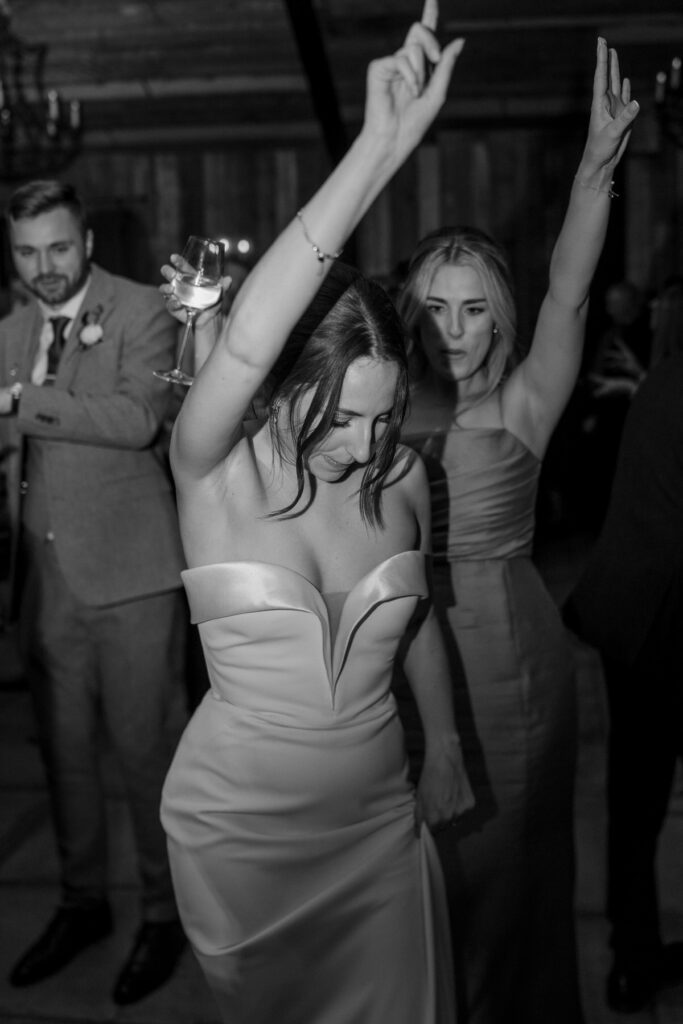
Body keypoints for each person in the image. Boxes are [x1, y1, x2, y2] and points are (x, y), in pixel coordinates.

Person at [158, 4, 472, 1021]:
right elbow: (244, 339)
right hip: (242, 843)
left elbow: (411, 625)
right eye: (338, 419)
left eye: (386, 420)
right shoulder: (216, 472)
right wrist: (378, 148)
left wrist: (449, 755)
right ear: (286, 384)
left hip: (378, 823)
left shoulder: (402, 482)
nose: (364, 446)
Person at [394, 37, 640, 1024]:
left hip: (510, 659)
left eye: (471, 310)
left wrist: (594, 166)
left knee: (508, 876)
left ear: (495, 319)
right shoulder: (381, 412)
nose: (454, 329)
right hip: (398, 656)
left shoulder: (526, 405)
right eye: (434, 309)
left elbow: (569, 289)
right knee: (418, 883)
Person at [0, 180, 188, 1005]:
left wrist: (19, 402)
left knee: (148, 760)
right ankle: (83, 903)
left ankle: (164, 913)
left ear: (87, 243)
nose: (44, 268)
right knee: (67, 762)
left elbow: (136, 418)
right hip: (42, 587)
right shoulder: (6, 329)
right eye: (26, 253)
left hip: (133, 578)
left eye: (58, 249)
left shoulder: (146, 309)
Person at [564, 276, 683, 1014]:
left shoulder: (667, 371)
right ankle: (633, 957)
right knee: (638, 797)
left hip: (633, 609)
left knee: (634, 799)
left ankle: (630, 960)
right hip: (659, 614)